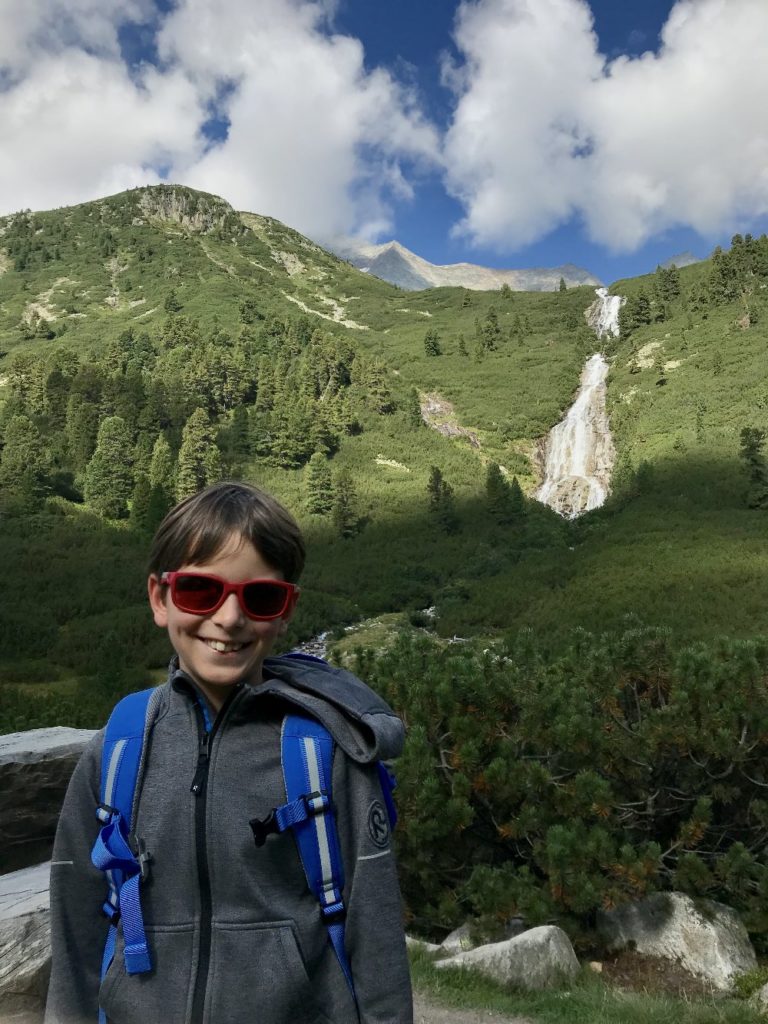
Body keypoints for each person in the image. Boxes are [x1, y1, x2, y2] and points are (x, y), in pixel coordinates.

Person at [45, 481, 413, 1024]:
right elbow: (76, 932)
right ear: (159, 598)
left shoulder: (326, 752)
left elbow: (376, 939)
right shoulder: (118, 749)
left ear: (286, 611)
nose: (229, 617)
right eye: (200, 591)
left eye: (261, 597)